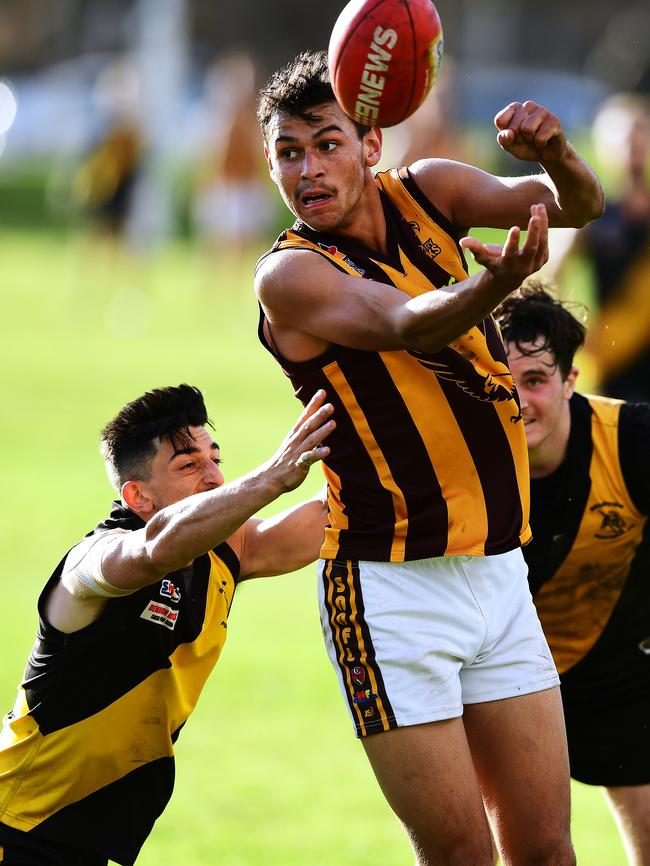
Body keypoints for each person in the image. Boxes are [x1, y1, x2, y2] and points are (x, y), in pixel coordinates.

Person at [254, 50, 604, 866]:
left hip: (497, 574)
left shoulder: (433, 190)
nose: (308, 168)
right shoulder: (291, 274)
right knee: (461, 858)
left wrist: (555, 152)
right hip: (389, 590)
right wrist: (500, 283)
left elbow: (578, 207)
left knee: (549, 850)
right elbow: (411, 323)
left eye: (327, 143)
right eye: (288, 152)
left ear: (372, 143)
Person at [0, 383, 334, 866]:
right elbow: (152, 550)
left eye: (215, 459)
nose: (215, 477)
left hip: (86, 836)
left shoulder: (229, 551)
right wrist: (270, 480)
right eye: (189, 465)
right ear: (136, 495)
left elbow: (333, 515)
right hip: (21, 825)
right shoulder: (92, 563)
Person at [496, 283, 650, 866]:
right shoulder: (460, 465)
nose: (519, 402)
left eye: (534, 380)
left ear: (569, 381)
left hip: (615, 661)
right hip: (504, 680)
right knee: (535, 853)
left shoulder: (630, 442)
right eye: (502, 386)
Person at [548, 93, 650, 402]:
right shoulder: (593, 219)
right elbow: (551, 272)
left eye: (639, 132)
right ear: (604, 146)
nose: (632, 144)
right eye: (622, 136)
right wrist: (570, 332)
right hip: (615, 366)